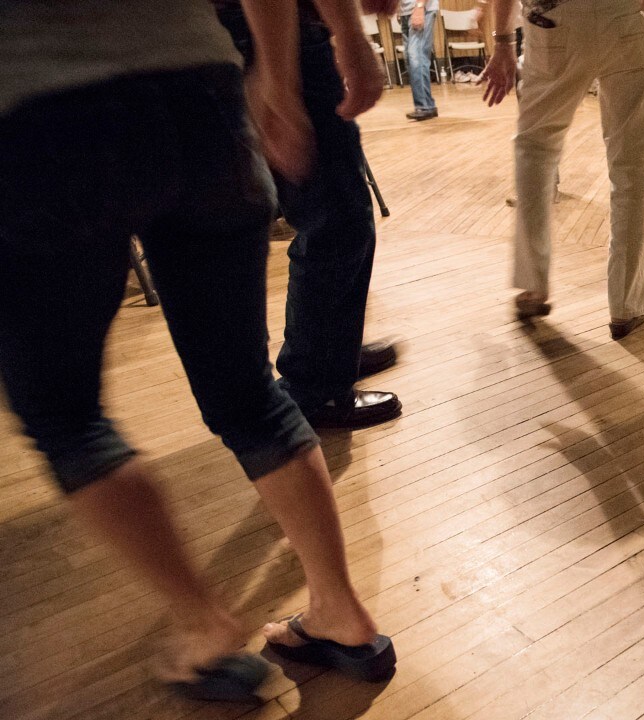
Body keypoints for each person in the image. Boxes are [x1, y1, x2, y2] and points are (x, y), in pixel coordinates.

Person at [0, 0, 395, 702]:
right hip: (201, 86)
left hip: (39, 110)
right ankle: (342, 612)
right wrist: (278, 80)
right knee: (247, 392)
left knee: (64, 415)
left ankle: (207, 627)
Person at [215, 0, 404, 429]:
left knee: (340, 214)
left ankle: (331, 349)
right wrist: (281, 82)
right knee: (337, 222)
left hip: (275, 35)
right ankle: (314, 386)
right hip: (275, 36)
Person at [479, 0, 644, 340]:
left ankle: (533, 286)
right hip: (634, 16)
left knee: (536, 148)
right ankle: (628, 305)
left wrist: (502, 40)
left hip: (555, 17)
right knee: (634, 166)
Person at [401, 0, 441, 121]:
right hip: (406, 11)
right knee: (410, 59)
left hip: (421, 8)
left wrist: (419, 6)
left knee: (416, 56)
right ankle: (428, 105)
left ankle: (424, 107)